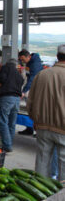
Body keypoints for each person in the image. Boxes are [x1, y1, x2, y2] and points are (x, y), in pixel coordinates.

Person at [29, 45, 65, 181]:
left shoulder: (41, 75)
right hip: (63, 128)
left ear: (57, 57)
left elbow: (30, 102)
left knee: (42, 161)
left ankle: (41, 193)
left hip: (42, 126)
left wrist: (35, 120)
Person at [0, 59, 24, 152]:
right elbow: (22, 82)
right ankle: (9, 143)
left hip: (7, 98)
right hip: (16, 100)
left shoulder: (5, 68)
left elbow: (2, 79)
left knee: (2, 121)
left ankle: (7, 145)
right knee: (12, 122)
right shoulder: (18, 73)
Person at [18, 49, 44, 136]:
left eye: (23, 59)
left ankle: (38, 131)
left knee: (35, 110)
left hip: (36, 88)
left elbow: (32, 79)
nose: (22, 61)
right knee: (29, 109)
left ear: (28, 56)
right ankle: (29, 129)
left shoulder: (35, 64)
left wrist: (24, 91)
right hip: (31, 87)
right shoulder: (29, 63)